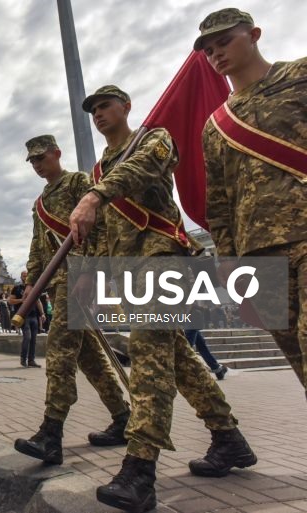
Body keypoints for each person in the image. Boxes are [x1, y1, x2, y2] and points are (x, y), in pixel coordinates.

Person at [69, 87, 256, 512]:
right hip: (127, 271)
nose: (98, 114)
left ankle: (140, 469)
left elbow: (143, 170)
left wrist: (95, 194)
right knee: (180, 357)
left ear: (126, 108)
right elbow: (101, 233)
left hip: (162, 260)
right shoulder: (101, 169)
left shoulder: (154, 139)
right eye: (93, 109)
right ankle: (229, 438)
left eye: (105, 106)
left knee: (149, 357)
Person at [196, 8, 306, 397]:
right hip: (258, 254)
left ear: (254, 34)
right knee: (297, 358)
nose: (217, 55)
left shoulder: (299, 77)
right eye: (209, 50)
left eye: (225, 42)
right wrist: (226, 257)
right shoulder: (216, 124)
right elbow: (219, 201)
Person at [12, 136, 131, 469]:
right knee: (90, 358)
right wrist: (33, 284)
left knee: (60, 354)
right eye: (32, 161)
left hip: (79, 279)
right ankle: (123, 418)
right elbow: (38, 248)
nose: (37, 165)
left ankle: (51, 434)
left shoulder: (79, 183)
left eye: (41, 158)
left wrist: (91, 272)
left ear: (56, 154)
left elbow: (102, 227)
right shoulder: (40, 203)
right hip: (57, 286)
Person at [8, 270, 44, 367]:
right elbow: (10, 300)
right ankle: (23, 359)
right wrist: (21, 300)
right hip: (23, 316)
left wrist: (42, 313)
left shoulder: (34, 288)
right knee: (27, 337)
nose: (25, 277)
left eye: (27, 276)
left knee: (34, 339)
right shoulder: (17, 288)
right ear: (21, 277)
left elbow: (38, 301)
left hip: (33, 315)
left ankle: (31, 360)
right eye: (24, 276)